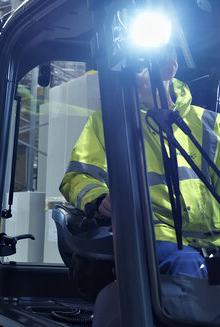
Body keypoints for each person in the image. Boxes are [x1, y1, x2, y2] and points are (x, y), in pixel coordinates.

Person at [60, 49, 220, 279]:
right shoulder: (108, 121)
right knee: (186, 266)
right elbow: (77, 176)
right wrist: (97, 197)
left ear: (169, 69)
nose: (125, 77)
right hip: (155, 236)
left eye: (136, 67)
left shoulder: (210, 123)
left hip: (214, 239)